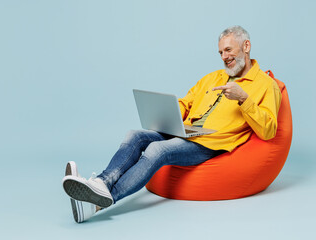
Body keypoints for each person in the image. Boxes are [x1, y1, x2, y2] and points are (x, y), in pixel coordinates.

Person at [62, 25, 282, 223]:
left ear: (246, 45)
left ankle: (102, 200)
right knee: (134, 135)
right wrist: (170, 109)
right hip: (187, 132)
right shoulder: (213, 77)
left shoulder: (265, 84)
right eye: (221, 52)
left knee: (157, 149)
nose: (224, 57)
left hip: (211, 143)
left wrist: (244, 99)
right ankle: (100, 184)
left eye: (228, 50)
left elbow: (269, 130)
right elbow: (187, 102)